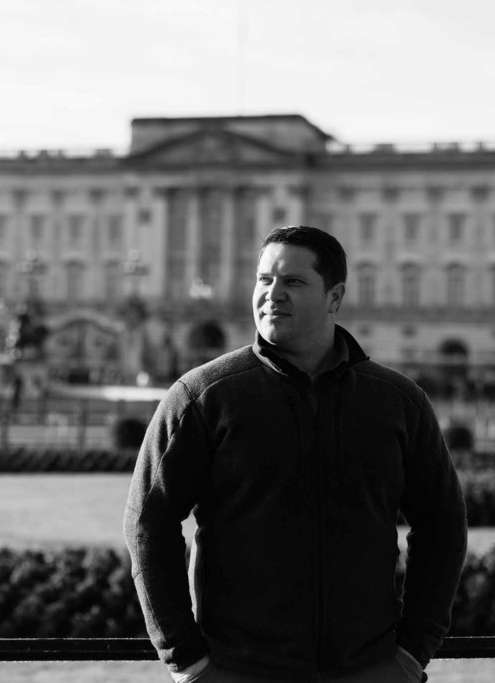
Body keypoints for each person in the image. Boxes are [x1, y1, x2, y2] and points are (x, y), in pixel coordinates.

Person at [124, 226, 467, 683]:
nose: (273, 295)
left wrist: (413, 649)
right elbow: (148, 522)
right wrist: (187, 660)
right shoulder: (202, 396)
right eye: (264, 280)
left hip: (369, 670)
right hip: (238, 671)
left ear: (335, 296)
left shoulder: (396, 400)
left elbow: (442, 522)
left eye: (294, 282)